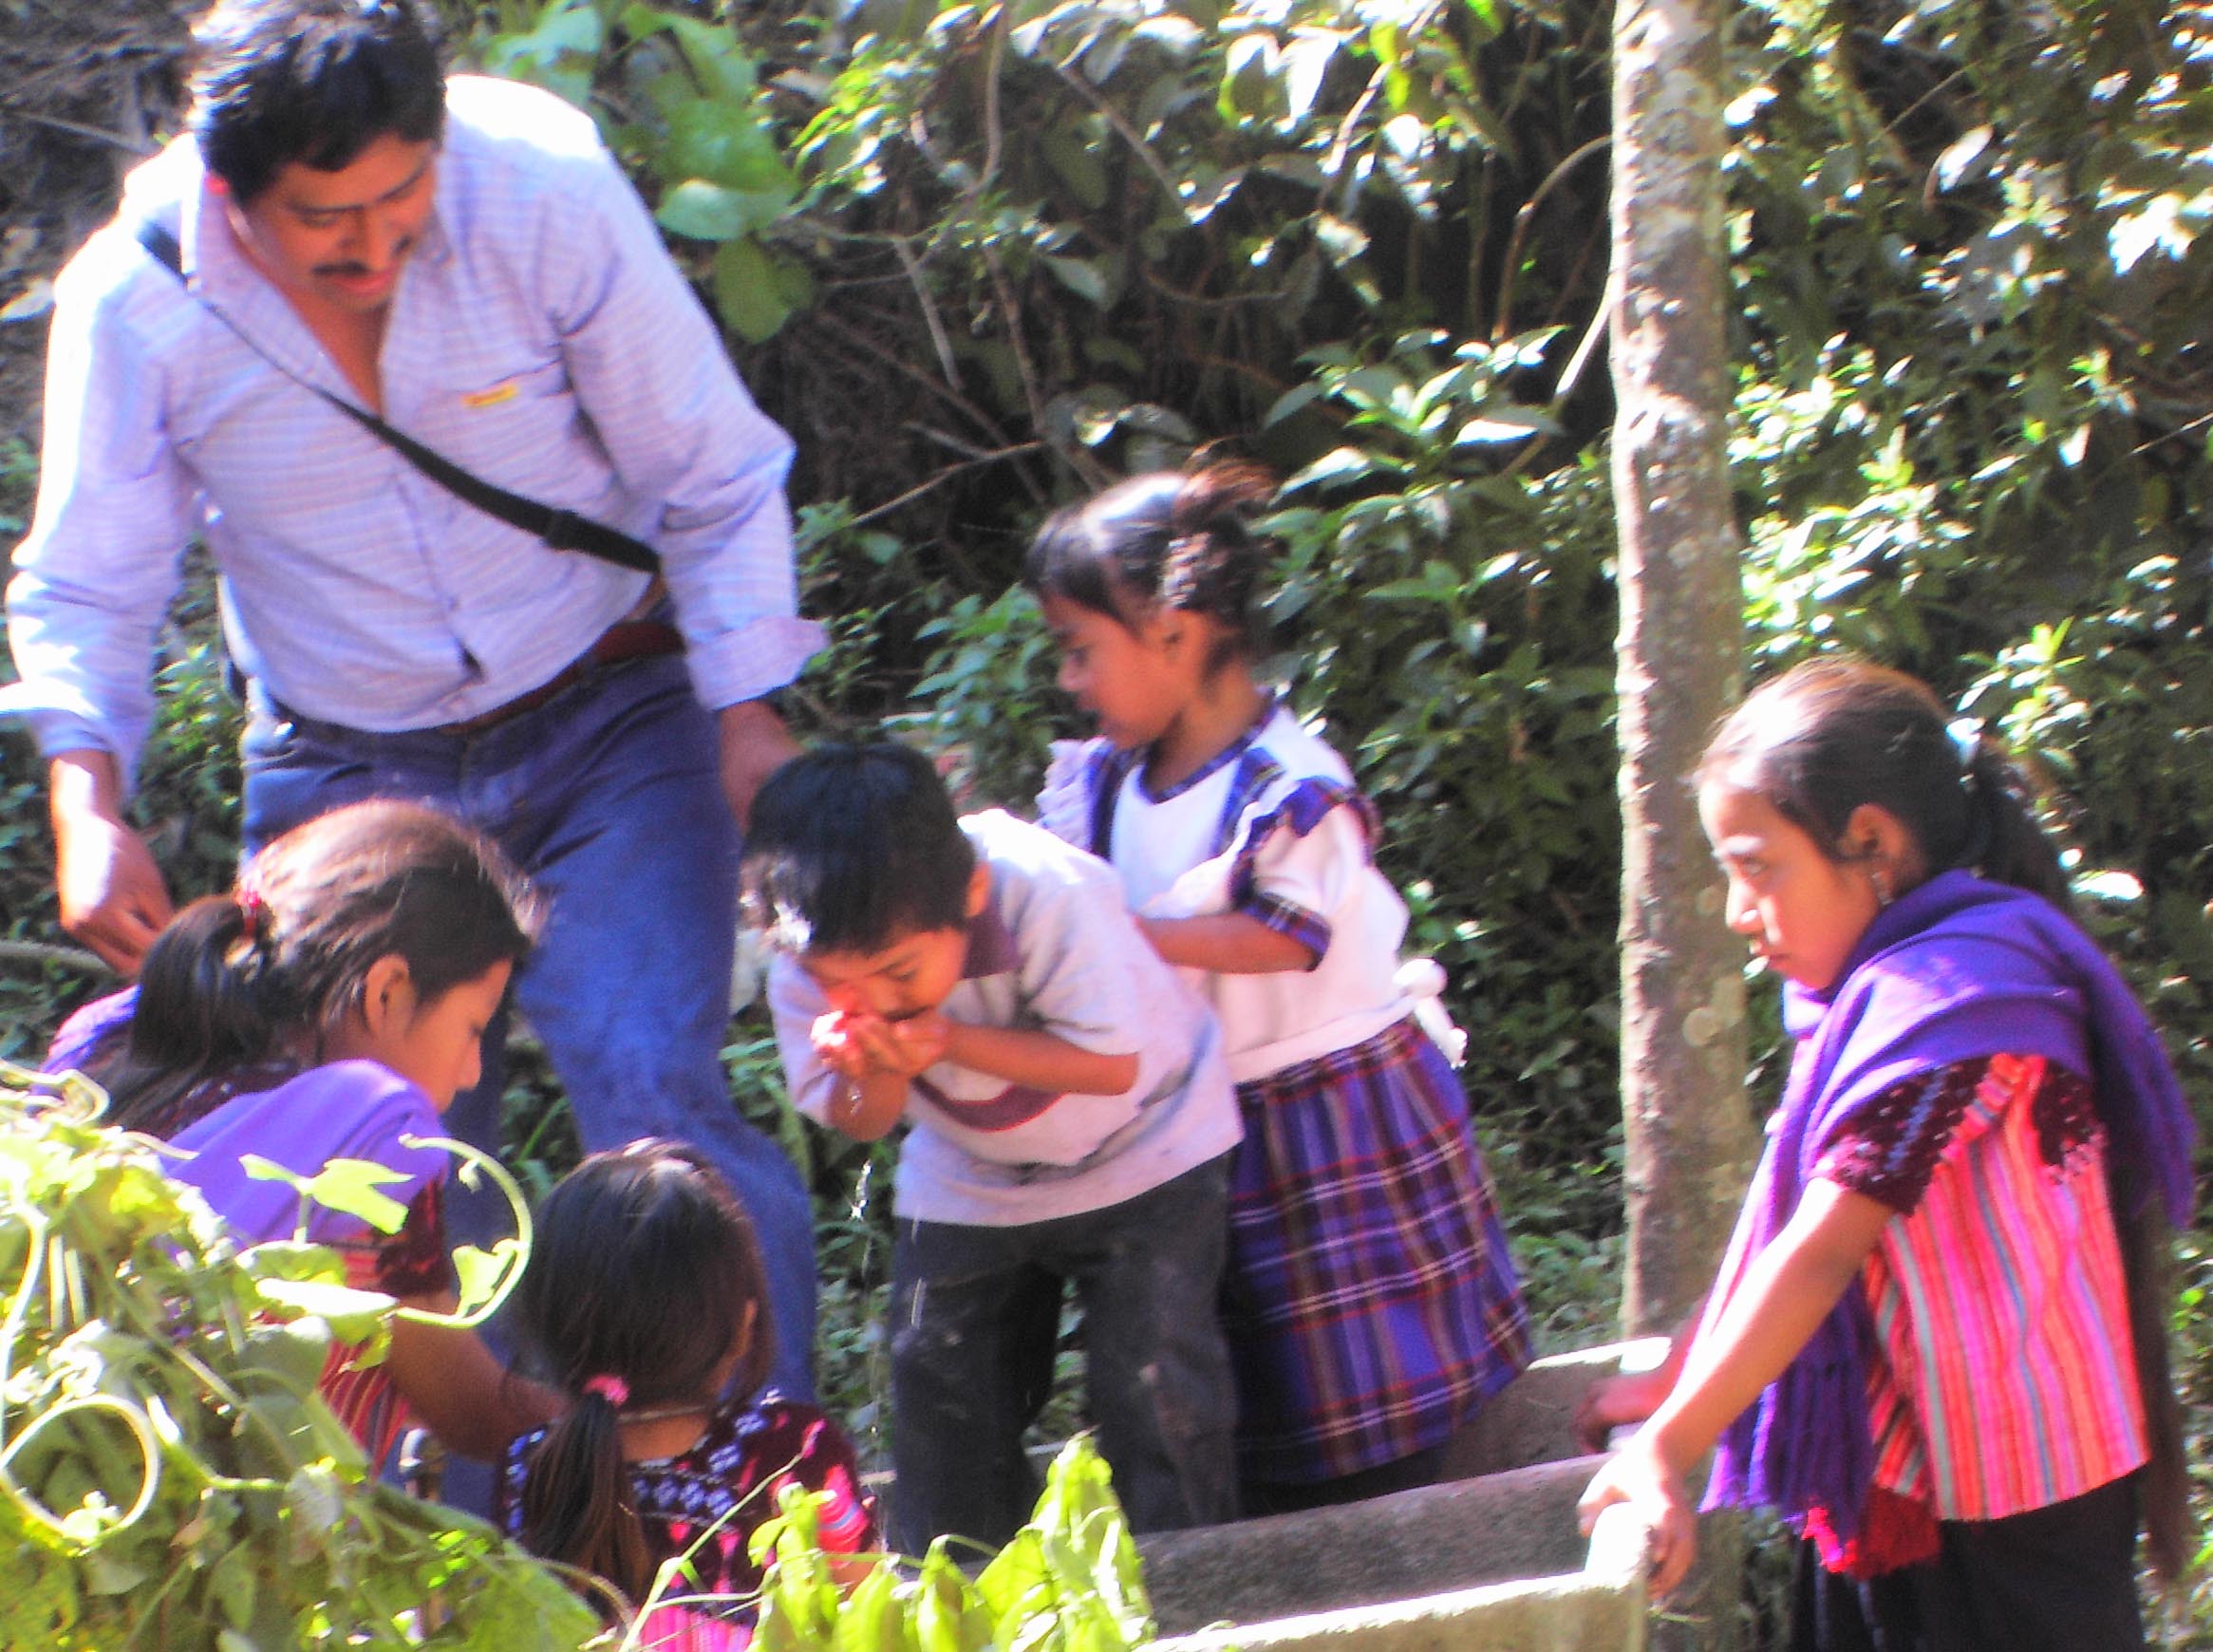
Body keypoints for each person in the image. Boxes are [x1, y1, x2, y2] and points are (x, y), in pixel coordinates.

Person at [2, 0, 821, 1401]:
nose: (376, 247)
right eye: (329, 218)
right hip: (346, 766)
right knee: (395, 1169)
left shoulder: (541, 185)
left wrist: (749, 714)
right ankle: (470, 1570)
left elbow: (711, 469)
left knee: (651, 1087)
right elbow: (89, 583)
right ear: (230, 193)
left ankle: (771, 1487)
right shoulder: (138, 297)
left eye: (403, 195)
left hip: (611, 712)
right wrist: (91, 802)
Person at [1576, 659, 2196, 1648]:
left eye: (1757, 867)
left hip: (2018, 1493)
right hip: (1910, 1464)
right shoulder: (1877, 998)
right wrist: (1683, 1372)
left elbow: (1822, 1248)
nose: (1741, 912)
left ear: (1870, 842)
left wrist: (1668, 1447)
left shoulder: (1955, 1007)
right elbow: (1787, 1207)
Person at [1023, 465, 1531, 1514]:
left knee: (1369, 1394)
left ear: (1173, 631)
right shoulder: (1110, 780)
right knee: (1242, 1403)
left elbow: (1285, 936)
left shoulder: (1292, 785)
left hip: (1326, 1121)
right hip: (1200, 1128)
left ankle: (1399, 1560)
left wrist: (1121, 932)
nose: (1071, 682)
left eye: (1082, 651)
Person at [743, 742, 1243, 1553]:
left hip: (1149, 1142)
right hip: (970, 1170)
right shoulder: (805, 963)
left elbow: (1111, 1066)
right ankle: (961, 1596)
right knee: (940, 1398)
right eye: (843, 984)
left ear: (970, 894)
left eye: (899, 973)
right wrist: (875, 1068)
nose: (872, 1002)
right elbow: (864, 1121)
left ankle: (1190, 1595)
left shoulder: (1044, 891)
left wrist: (942, 1042)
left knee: (1159, 1397)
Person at [44, 797, 558, 1467]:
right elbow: (471, 1412)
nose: (471, 1071)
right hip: (230, 1535)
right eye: (471, 1027)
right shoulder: (373, 1127)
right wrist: (624, 1426)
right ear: (386, 991)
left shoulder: (105, 1039)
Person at [497, 1140, 876, 1643]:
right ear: (743, 1326)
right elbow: (872, 1611)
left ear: (544, 1330)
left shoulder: (530, 1466)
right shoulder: (796, 1452)